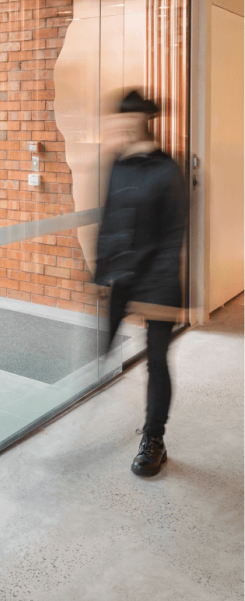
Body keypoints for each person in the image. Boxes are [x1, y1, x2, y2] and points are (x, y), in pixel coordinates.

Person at [95, 89, 186, 478]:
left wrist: (159, 292)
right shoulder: (116, 164)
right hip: (125, 277)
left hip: (159, 281)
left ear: (143, 120)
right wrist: (102, 273)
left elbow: (173, 235)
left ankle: (154, 440)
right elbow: (109, 219)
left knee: (157, 363)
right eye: (117, 118)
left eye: (128, 118)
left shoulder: (168, 169)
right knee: (102, 351)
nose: (122, 125)